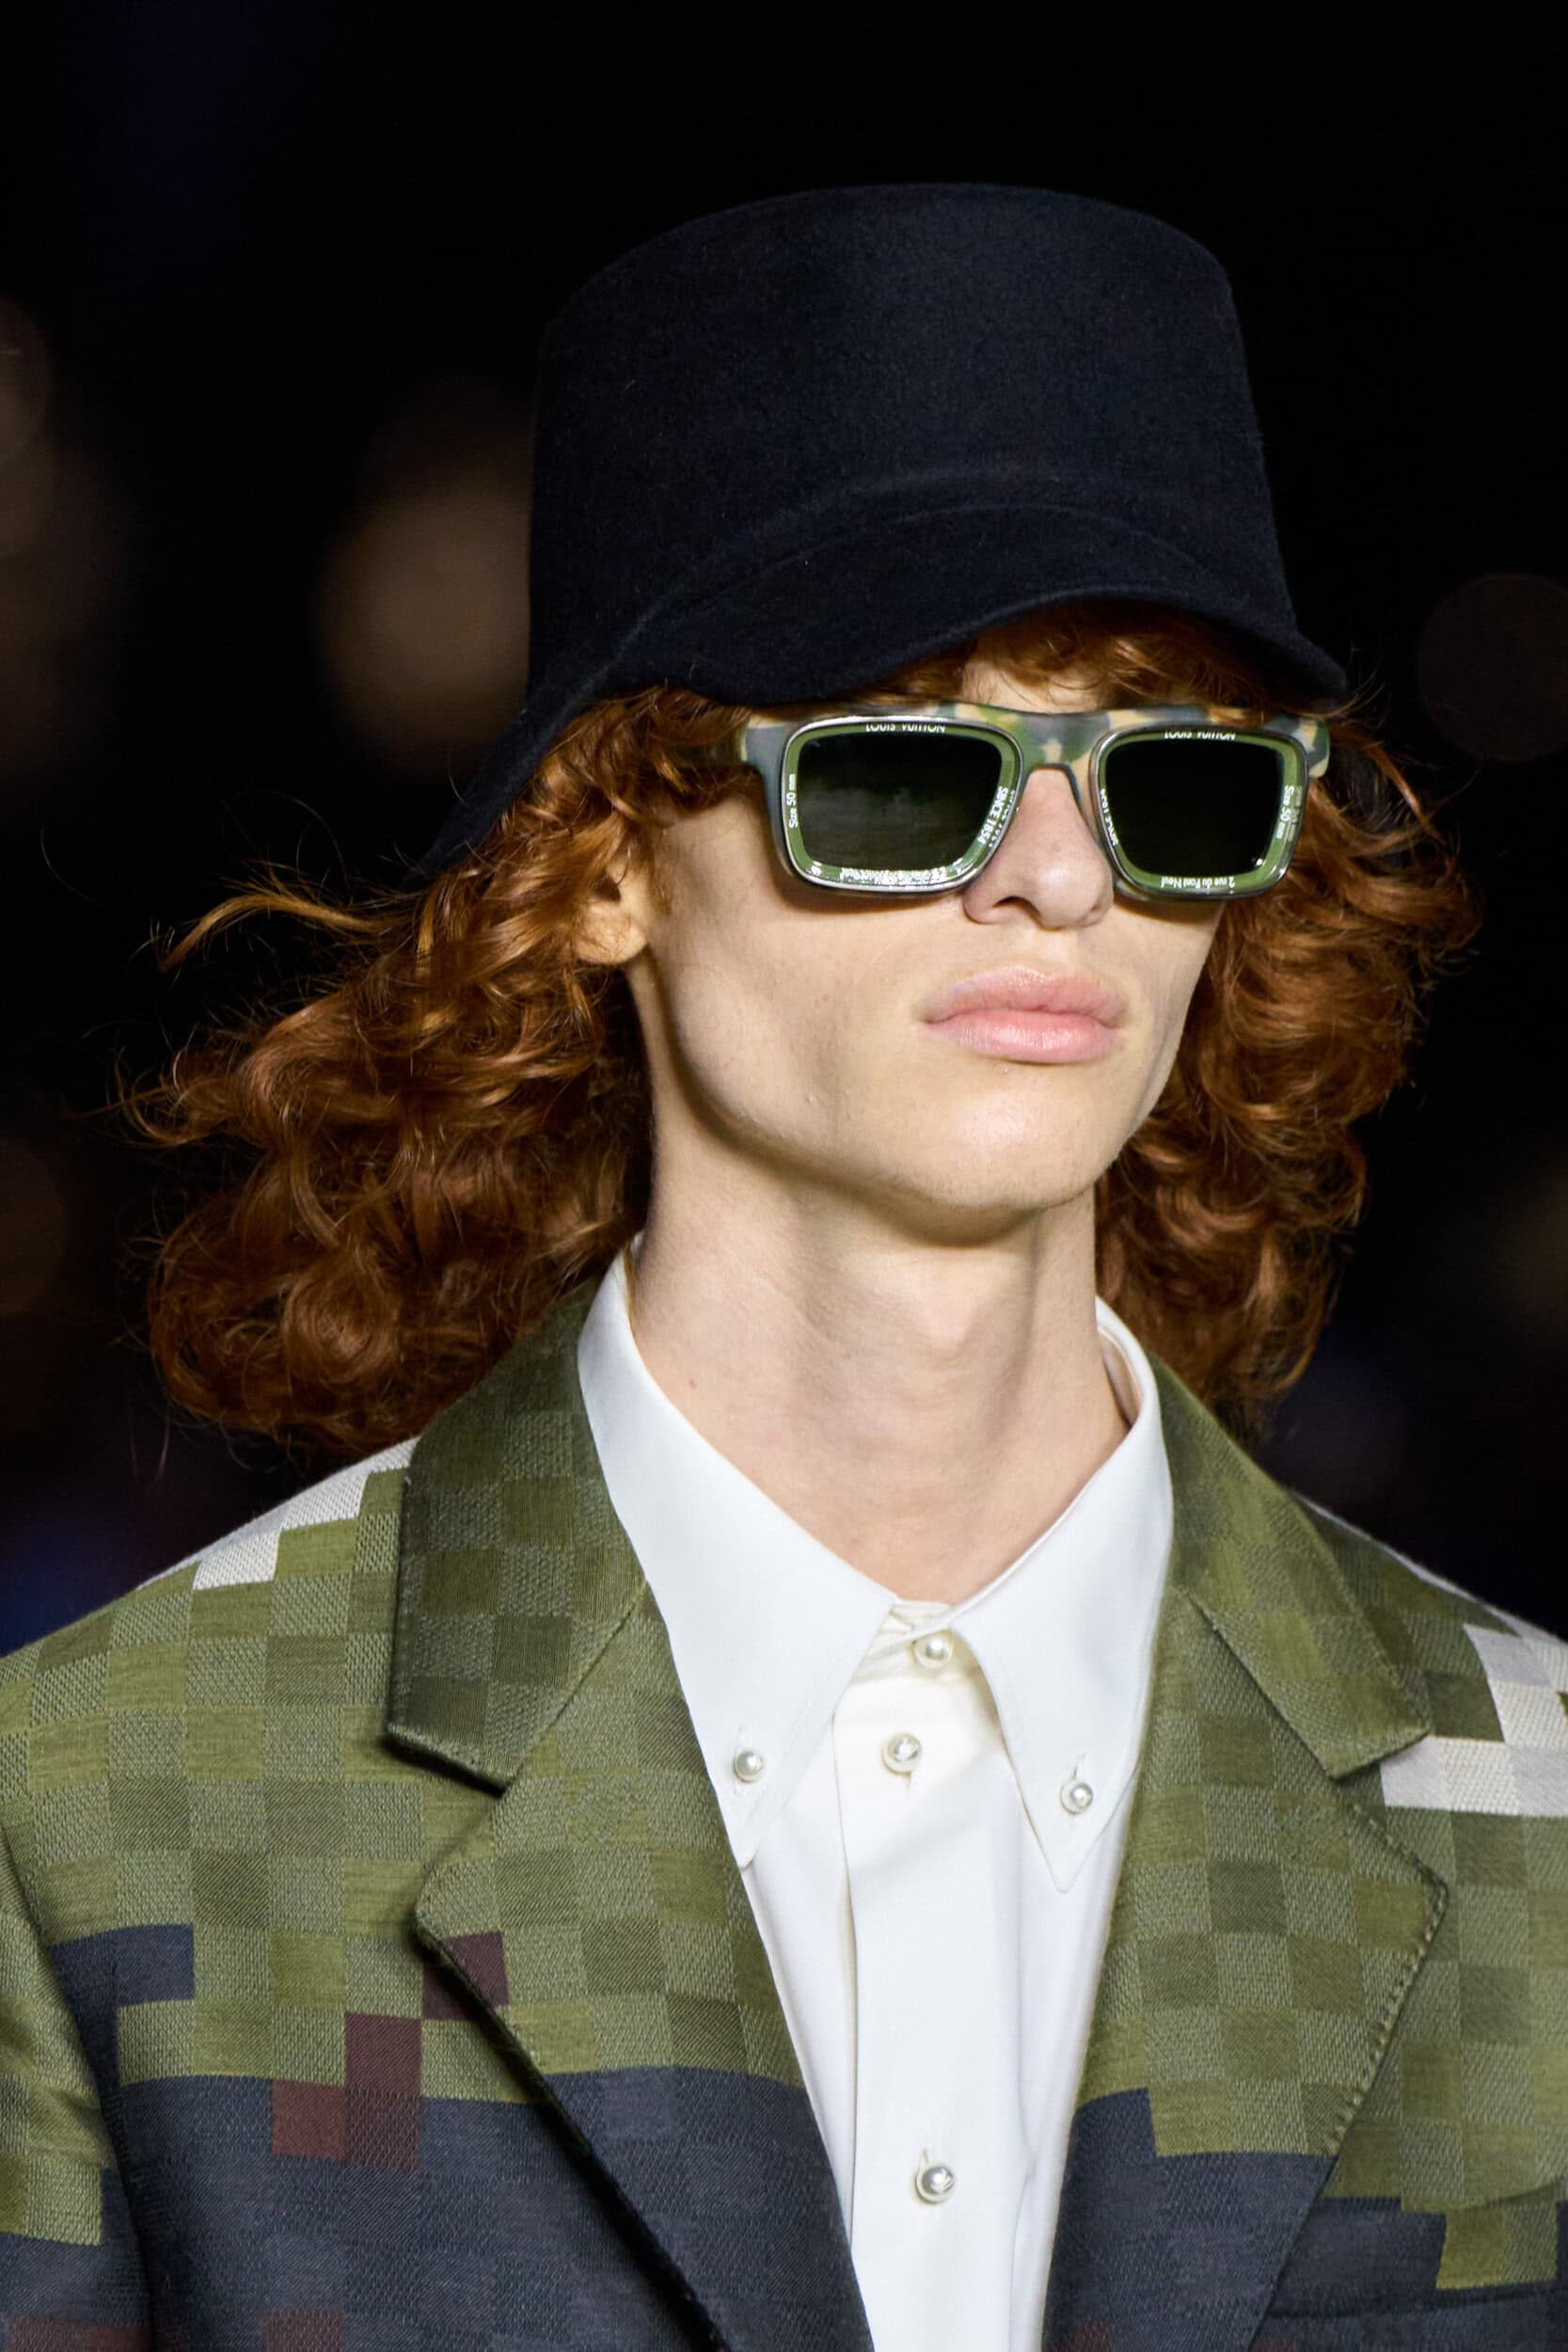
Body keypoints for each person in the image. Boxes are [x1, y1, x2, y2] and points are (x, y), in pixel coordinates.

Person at [0, 183, 1550, 2352]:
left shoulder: (1539, 1828)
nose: (1057, 877)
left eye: (1179, 781)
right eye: (902, 769)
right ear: (604, 859)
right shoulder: (97, 1829)